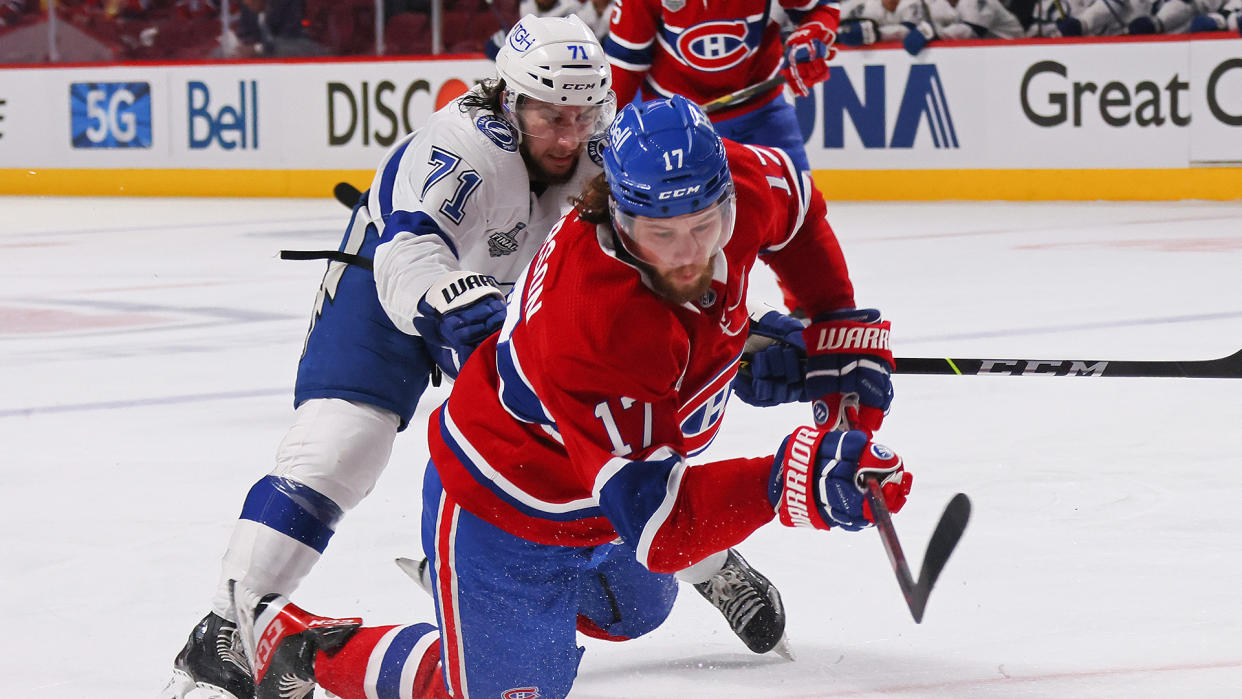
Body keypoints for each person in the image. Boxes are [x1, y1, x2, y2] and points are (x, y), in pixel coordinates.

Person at [161, 15, 783, 699]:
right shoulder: (462, 147)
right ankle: (227, 628)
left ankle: (645, 565)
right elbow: (407, 252)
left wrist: (732, 338)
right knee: (340, 447)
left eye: (583, 114)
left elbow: (660, 282)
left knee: (582, 443)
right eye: (550, 116)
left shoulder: (612, 147)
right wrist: (449, 297)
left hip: (513, 303)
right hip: (398, 290)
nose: (570, 135)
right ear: (508, 99)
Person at [227, 94, 912, 699]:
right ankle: (304, 642)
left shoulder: (744, 181)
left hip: (602, 490)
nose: (685, 255)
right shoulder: (594, 321)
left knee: (640, 608)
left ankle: (489, 610)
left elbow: (797, 213)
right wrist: (792, 480)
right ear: (615, 211)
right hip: (506, 506)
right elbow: (664, 524)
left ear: (726, 196)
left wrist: (832, 328)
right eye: (659, 235)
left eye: (703, 227)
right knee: (517, 691)